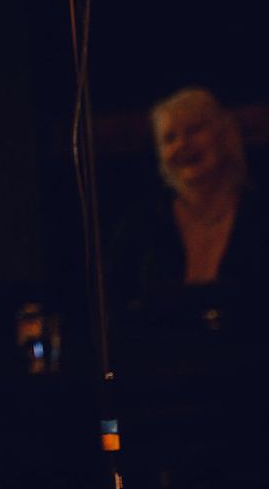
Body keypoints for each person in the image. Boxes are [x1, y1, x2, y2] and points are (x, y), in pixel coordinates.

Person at [108, 86, 266, 488]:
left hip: (250, 409)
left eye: (194, 130)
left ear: (224, 135)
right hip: (162, 416)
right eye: (169, 138)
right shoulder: (140, 228)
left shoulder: (259, 215)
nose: (183, 146)